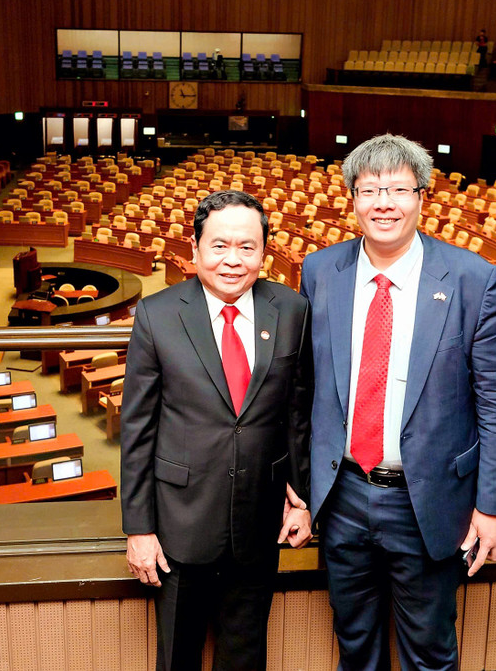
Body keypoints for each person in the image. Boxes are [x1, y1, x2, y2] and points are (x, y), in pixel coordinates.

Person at [300, 133, 496, 671]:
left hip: (426, 500)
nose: (384, 203)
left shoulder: (474, 280)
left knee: (429, 654)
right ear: (352, 198)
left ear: (423, 197)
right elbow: (304, 387)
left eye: (399, 189)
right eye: (370, 189)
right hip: (343, 496)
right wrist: (300, 490)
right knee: (355, 647)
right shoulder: (320, 271)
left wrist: (494, 507)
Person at [121, 189, 313, 671]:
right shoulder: (157, 314)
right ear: (195, 247)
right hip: (179, 529)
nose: (233, 259)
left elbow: (297, 415)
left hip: (259, 524)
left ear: (264, 252)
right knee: (177, 660)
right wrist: (139, 528)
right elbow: (137, 429)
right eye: (219, 245)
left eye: (247, 247)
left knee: (245, 661)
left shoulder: (292, 310)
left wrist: (303, 498)